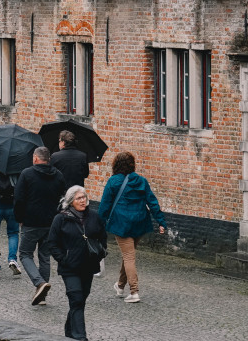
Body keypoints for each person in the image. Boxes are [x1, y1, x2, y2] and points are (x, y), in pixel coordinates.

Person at [97, 151, 167, 304]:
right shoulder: (141, 181)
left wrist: (98, 224)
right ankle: (120, 286)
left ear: (116, 165)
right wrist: (161, 222)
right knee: (127, 254)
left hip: (122, 224)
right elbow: (152, 202)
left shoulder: (113, 181)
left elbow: (104, 205)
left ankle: (134, 292)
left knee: (128, 256)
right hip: (140, 223)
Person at [49, 186, 107, 340]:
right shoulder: (60, 219)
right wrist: (63, 259)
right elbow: (52, 243)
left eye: (84, 197)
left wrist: (100, 252)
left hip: (88, 266)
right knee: (76, 298)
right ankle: (81, 337)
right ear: (70, 201)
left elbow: (102, 237)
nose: (83, 201)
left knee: (80, 301)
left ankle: (69, 331)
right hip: (69, 268)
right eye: (79, 198)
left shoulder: (94, 217)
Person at [14, 146, 67, 306]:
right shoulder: (58, 175)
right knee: (44, 257)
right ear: (48, 159)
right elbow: (63, 199)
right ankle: (42, 296)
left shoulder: (27, 174)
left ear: (36, 159)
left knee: (24, 254)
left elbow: (18, 199)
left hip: (31, 222)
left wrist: (19, 218)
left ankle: (39, 283)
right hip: (50, 223)